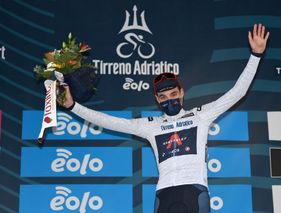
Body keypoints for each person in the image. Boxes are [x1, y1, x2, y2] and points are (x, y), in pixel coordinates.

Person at [62, 24, 269, 213]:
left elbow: (237, 93)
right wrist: (73, 106)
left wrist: (256, 55)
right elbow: (108, 121)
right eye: (163, 97)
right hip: (164, 195)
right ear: (156, 99)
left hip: (194, 191)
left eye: (172, 94)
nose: (169, 100)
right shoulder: (150, 126)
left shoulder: (201, 115)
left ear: (181, 93)